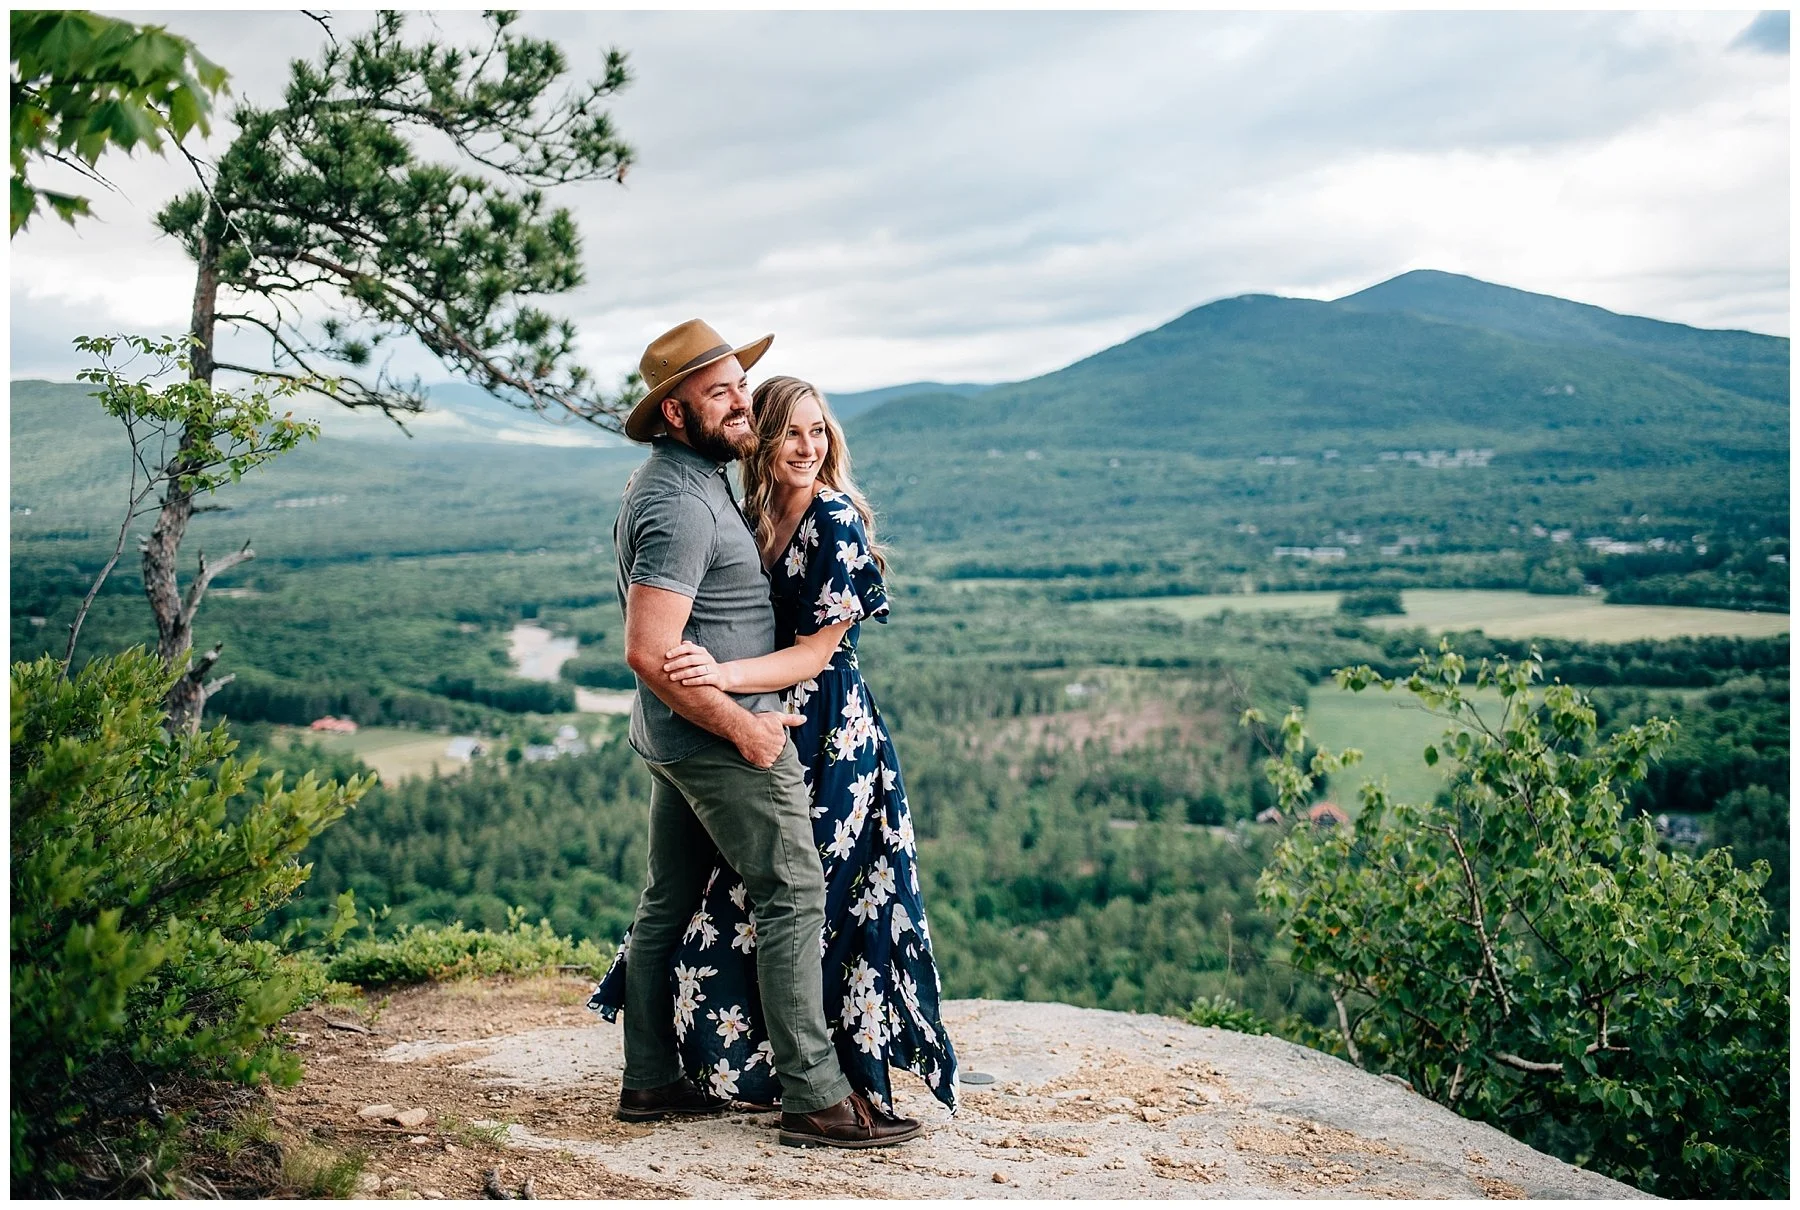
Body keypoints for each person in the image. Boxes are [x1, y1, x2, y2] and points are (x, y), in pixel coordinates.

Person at [592, 368, 959, 1130]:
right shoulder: (724, 504)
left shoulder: (819, 514)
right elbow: (652, 647)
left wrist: (722, 676)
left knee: (769, 898)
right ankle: (813, 1092)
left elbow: (817, 652)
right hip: (739, 728)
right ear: (677, 410)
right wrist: (730, 705)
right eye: (788, 427)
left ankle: (663, 1076)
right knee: (789, 895)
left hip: (819, 728)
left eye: (817, 430)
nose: (805, 444)